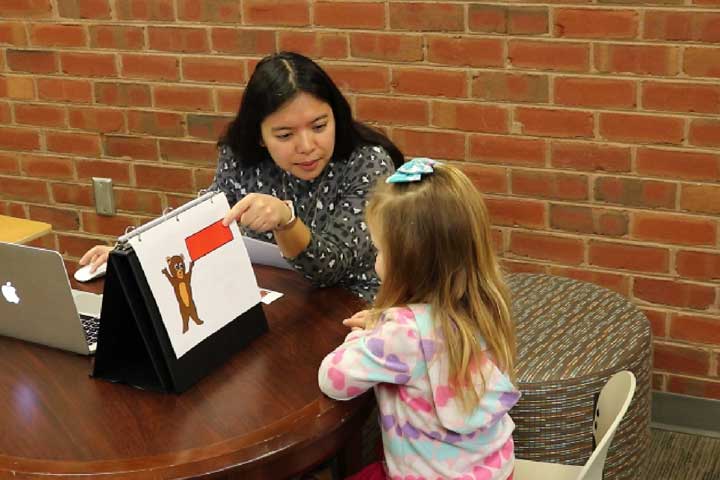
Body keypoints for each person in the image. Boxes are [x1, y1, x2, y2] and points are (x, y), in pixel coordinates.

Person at [80, 51, 403, 300]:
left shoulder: (367, 162)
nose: (307, 146)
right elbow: (204, 221)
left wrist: (286, 220)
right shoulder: (241, 159)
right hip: (275, 298)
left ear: (337, 116)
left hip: (355, 307)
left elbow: (332, 267)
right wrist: (133, 255)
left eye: (319, 126)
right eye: (285, 135)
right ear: (260, 136)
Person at [318, 159, 520, 480]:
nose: (376, 262)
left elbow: (334, 380)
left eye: (380, 251)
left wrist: (366, 334)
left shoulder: (402, 334)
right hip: (497, 471)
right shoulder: (484, 303)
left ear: (408, 266)